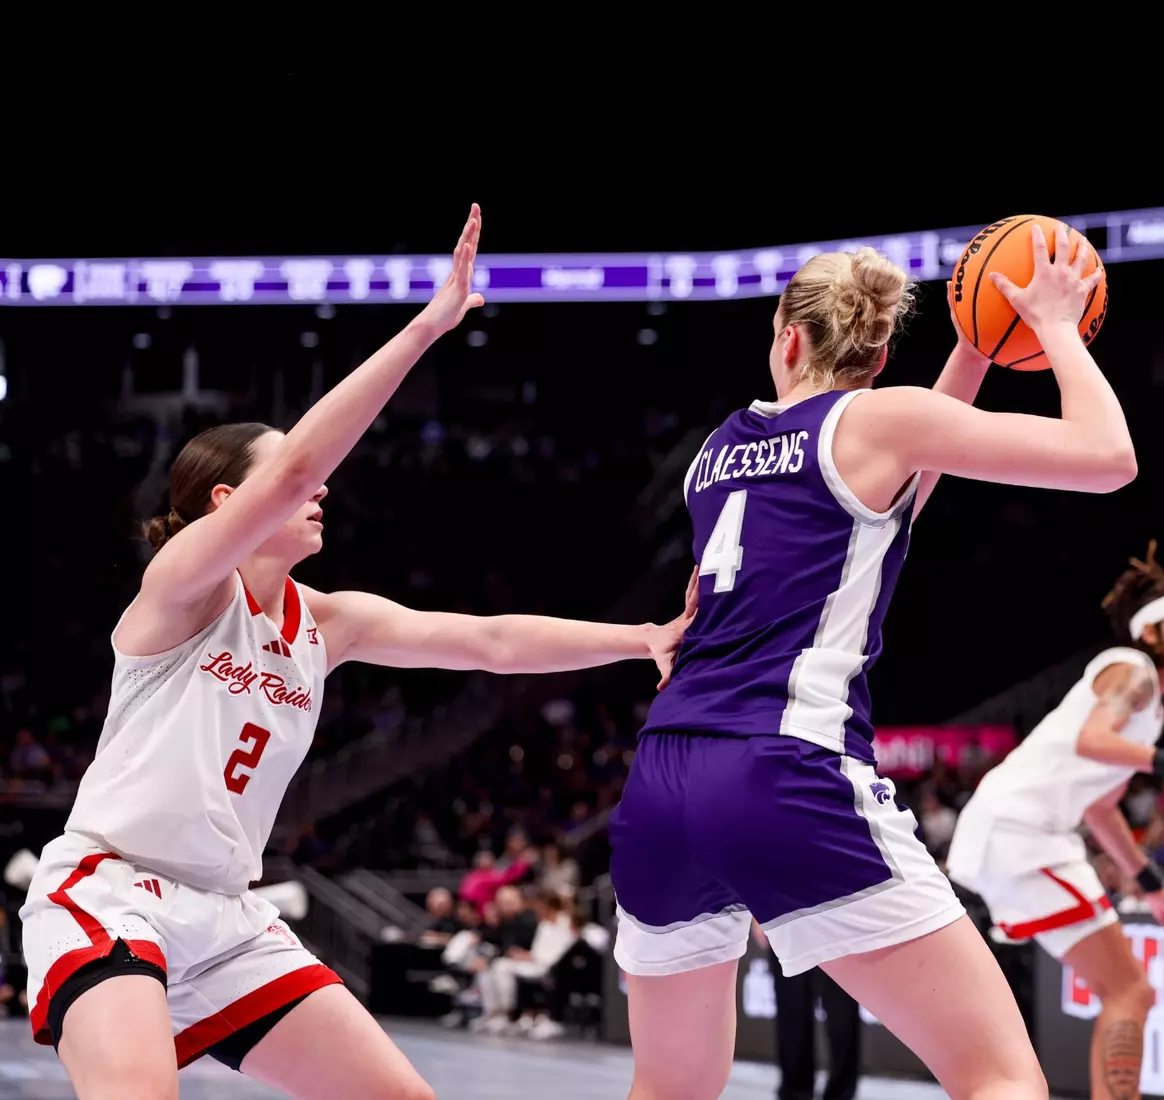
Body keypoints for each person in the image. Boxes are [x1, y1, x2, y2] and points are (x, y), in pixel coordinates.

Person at [19, 205, 695, 1100]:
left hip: (226, 917)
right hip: (112, 890)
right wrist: (427, 325)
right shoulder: (179, 592)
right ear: (227, 502)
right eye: (286, 477)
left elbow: (489, 644)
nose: (320, 486)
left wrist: (639, 638)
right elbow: (301, 467)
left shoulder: (325, 622)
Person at [608, 224, 1127, 1100]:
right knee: (998, 1074)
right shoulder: (885, 421)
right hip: (782, 766)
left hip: (661, 780)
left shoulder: (718, 450)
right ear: (882, 353)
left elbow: (900, 474)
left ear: (788, 338)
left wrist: (971, 350)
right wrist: (1054, 327)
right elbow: (1109, 458)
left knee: (669, 1088)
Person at [946, 544, 1164, 1100]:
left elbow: (1099, 808)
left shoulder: (1150, 712)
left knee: (1127, 991)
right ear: (1152, 633)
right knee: (1129, 990)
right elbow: (1092, 739)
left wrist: (1152, 886)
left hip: (1024, 833)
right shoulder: (1131, 670)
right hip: (1021, 832)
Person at [754, 921, 861, 1100]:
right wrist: (757, 917)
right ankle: (795, 1092)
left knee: (841, 1013)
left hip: (838, 916)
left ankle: (842, 1093)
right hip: (785, 917)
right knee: (792, 1011)